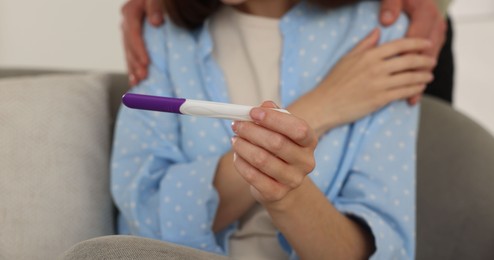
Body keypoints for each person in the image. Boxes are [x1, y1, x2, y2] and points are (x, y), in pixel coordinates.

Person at [107, 0, 436, 259]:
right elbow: (144, 222)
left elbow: (383, 250)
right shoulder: (160, 29)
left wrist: (286, 195)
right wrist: (321, 106)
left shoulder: (383, 33)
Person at [121, 0, 453, 104]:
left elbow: (385, 240)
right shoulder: (166, 36)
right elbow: (144, 208)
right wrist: (323, 106)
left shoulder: (382, 36)